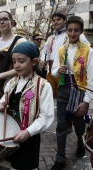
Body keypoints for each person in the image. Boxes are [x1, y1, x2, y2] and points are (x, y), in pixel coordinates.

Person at [0, 41, 54, 170]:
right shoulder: (12, 82)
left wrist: (28, 132)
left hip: (28, 138)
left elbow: (46, 116)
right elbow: (3, 99)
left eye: (21, 61)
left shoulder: (43, 86)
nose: (16, 65)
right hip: (9, 134)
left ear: (33, 62)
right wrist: (0, 104)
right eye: (14, 61)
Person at [51, 16, 93, 170]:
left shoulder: (88, 50)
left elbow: (91, 77)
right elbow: (54, 70)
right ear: (66, 31)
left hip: (80, 91)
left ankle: (81, 143)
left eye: (76, 30)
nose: (73, 33)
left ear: (81, 31)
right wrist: (58, 70)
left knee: (79, 124)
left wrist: (86, 101)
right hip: (63, 90)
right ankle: (60, 158)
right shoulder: (62, 49)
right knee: (61, 125)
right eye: (70, 30)